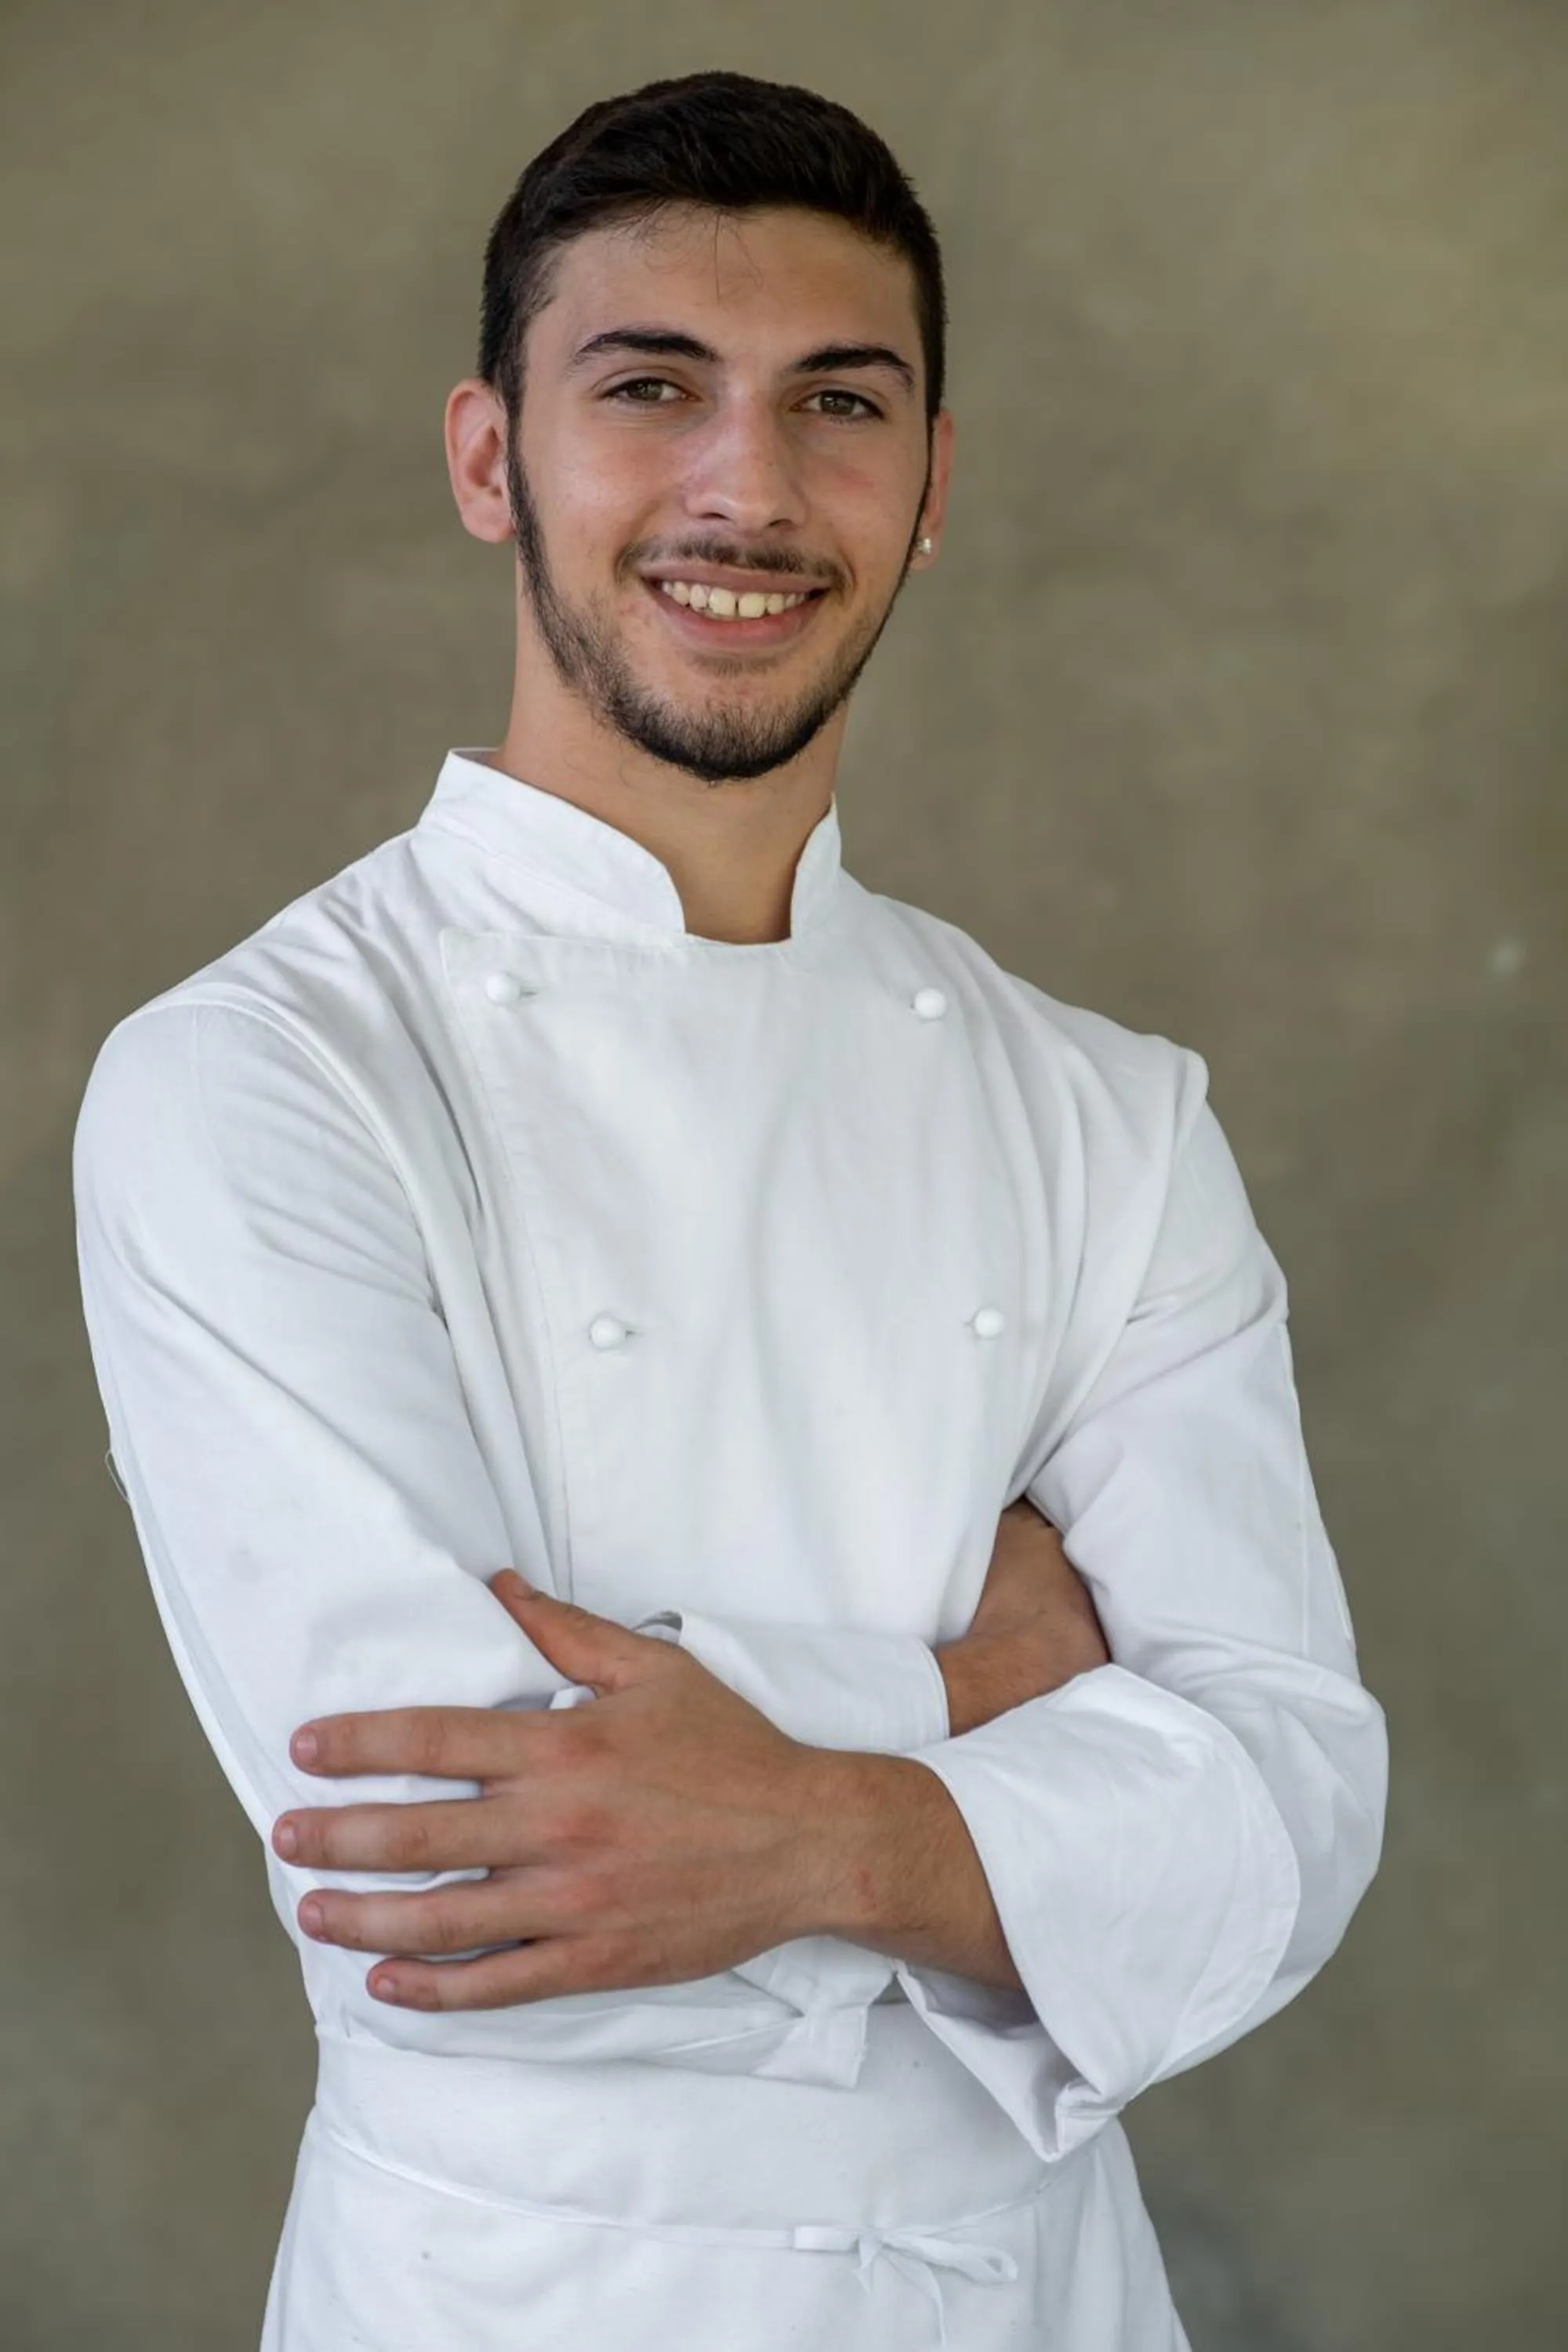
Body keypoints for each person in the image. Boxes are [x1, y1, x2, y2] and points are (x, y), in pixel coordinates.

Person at [71, 69, 1388, 2352]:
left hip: (1033, 2297)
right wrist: (999, 1693)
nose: (747, 488)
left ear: (933, 483)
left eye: (837, 404)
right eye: (649, 389)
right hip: (514, 2291)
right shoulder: (258, 1079)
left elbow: (1285, 1812)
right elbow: (459, 1853)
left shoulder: (1106, 1114)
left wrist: (800, 1832)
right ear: (492, 456)